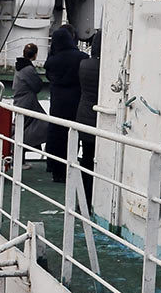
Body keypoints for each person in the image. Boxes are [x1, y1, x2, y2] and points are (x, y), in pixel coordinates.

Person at [44, 25, 88, 182]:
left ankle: (55, 169)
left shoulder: (51, 61)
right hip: (75, 103)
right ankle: (70, 167)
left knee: (56, 135)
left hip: (57, 103)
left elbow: (49, 75)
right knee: (72, 135)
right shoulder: (81, 57)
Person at [76, 30, 101, 210]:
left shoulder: (84, 64)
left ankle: (83, 196)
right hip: (98, 118)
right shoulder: (104, 68)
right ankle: (95, 197)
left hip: (83, 114)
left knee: (86, 157)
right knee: (97, 159)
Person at [11, 43, 48, 158]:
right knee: (42, 124)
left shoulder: (20, 66)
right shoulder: (28, 69)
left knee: (21, 129)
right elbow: (37, 85)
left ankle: (20, 158)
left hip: (20, 102)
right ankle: (20, 158)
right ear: (35, 54)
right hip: (27, 103)